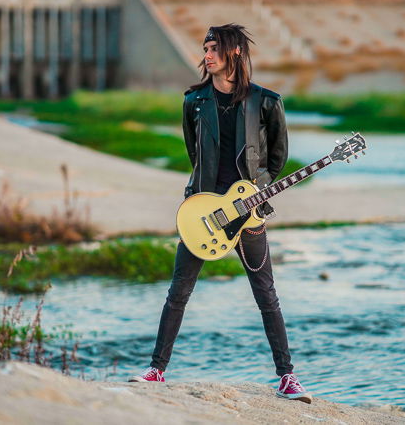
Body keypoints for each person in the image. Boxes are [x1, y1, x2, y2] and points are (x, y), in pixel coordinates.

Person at [129, 23, 311, 403]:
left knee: (267, 296)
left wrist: (250, 192)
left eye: (214, 49)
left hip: (249, 212)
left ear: (235, 54)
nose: (206, 55)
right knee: (178, 292)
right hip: (203, 212)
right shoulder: (194, 101)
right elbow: (193, 154)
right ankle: (156, 370)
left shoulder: (266, 101)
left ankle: (288, 378)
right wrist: (208, 198)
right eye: (205, 49)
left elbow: (277, 157)